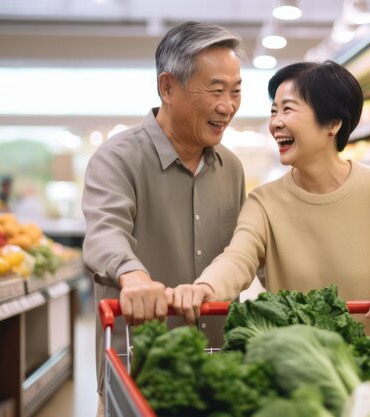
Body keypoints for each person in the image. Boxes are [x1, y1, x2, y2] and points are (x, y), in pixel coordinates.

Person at [169, 61, 370, 337]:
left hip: (369, 361)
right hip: (297, 363)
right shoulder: (264, 202)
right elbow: (237, 259)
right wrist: (205, 287)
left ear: (333, 123)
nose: (276, 123)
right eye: (273, 111)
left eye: (288, 109)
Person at [81, 21, 246, 413]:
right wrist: (133, 276)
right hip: (139, 364)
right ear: (167, 87)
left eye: (236, 91)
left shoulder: (232, 168)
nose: (228, 106)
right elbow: (105, 232)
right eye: (216, 90)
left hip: (216, 363)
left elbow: (244, 249)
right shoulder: (117, 159)